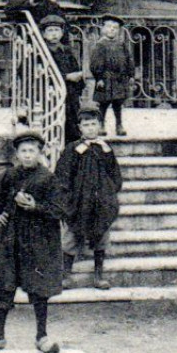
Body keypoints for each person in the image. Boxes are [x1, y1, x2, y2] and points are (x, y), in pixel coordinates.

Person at [0, 131, 68, 353]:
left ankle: (42, 337)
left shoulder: (49, 179)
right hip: (11, 239)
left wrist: (36, 206)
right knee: (4, 285)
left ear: (40, 153)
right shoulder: (9, 176)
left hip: (38, 242)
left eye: (32, 151)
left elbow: (60, 210)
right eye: (23, 151)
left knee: (39, 289)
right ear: (17, 154)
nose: (27, 155)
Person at [55, 106, 123, 291]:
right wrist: (66, 200)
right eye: (86, 125)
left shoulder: (105, 149)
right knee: (71, 237)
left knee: (101, 236)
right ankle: (66, 274)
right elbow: (62, 175)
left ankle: (99, 275)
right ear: (80, 128)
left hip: (100, 202)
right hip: (78, 202)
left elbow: (115, 176)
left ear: (100, 126)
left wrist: (109, 194)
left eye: (94, 124)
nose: (90, 128)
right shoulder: (73, 149)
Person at [40, 15, 89, 148]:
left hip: (70, 96)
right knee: (53, 126)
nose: (54, 34)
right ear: (43, 34)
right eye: (50, 30)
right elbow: (39, 75)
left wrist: (79, 79)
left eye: (57, 30)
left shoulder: (66, 50)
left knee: (72, 127)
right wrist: (66, 77)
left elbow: (76, 70)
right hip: (50, 96)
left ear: (62, 33)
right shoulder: (40, 52)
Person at [88, 15, 137, 137]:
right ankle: (101, 125)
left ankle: (119, 125)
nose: (112, 30)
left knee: (118, 103)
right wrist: (99, 77)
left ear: (119, 30)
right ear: (103, 28)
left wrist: (131, 74)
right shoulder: (100, 44)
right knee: (103, 104)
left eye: (115, 28)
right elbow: (94, 62)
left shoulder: (121, 44)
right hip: (105, 79)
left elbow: (129, 59)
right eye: (109, 27)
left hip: (120, 79)